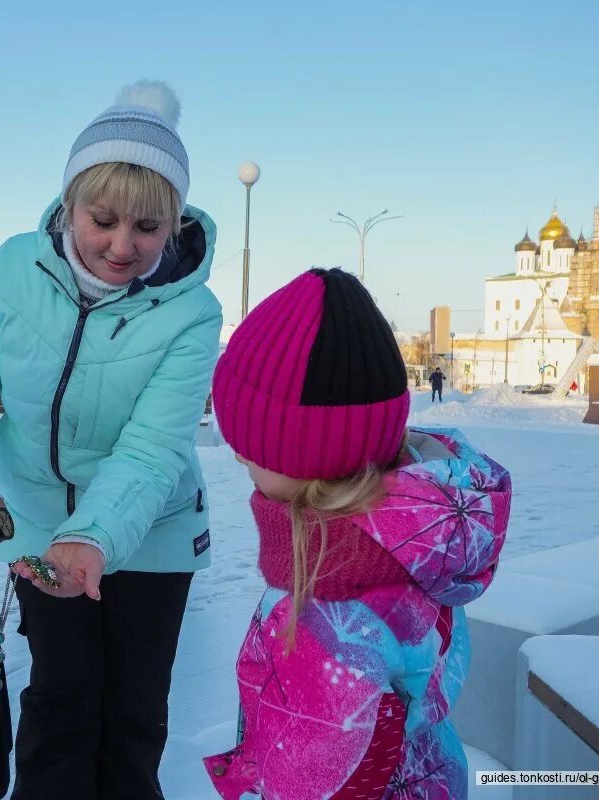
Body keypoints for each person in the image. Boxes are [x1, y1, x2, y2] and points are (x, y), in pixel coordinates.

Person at [0, 80, 221, 800]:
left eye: (148, 229)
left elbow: (153, 448)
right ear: (69, 204)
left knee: (131, 714)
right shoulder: (12, 269)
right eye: (104, 219)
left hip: (151, 531)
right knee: (60, 701)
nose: (123, 245)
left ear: (174, 222)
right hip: (39, 524)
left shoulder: (193, 312)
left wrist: (93, 538)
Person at [204, 268, 511, 799]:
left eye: (249, 442)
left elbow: (318, 774)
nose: (236, 453)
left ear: (307, 455)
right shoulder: (413, 544)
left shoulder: (328, 600)